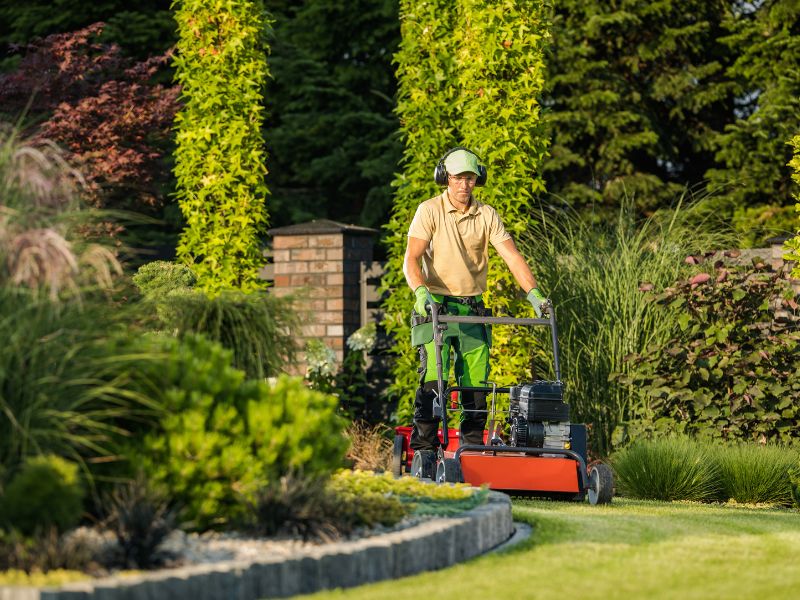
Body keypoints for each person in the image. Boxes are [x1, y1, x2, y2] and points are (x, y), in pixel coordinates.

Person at [403, 146, 549, 463]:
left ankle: (471, 451)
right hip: (435, 306)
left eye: (469, 178)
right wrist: (419, 291)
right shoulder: (429, 210)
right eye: (457, 177)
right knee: (433, 380)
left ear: (477, 179)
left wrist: (534, 293)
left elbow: (512, 257)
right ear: (445, 178)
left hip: (472, 309)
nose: (463, 185)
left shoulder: (487, 215)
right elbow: (411, 259)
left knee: (476, 385)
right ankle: (426, 450)